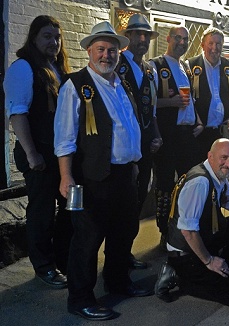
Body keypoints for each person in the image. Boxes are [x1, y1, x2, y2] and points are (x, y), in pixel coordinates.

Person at [54, 22, 152, 321]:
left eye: (112, 50)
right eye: (101, 49)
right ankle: (80, 298)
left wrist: (133, 164)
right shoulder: (76, 85)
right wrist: (66, 176)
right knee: (88, 239)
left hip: (124, 174)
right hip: (93, 176)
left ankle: (118, 282)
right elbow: (65, 137)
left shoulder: (119, 83)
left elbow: (127, 127)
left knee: (123, 234)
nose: (107, 55)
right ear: (89, 51)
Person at [4, 15, 72, 288]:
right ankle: (44, 266)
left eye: (57, 37)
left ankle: (61, 260)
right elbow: (17, 114)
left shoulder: (56, 68)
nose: (54, 42)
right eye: (47, 36)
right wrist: (32, 155)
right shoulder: (23, 67)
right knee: (41, 212)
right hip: (40, 154)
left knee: (67, 209)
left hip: (59, 153)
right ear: (33, 38)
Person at [156, 138, 229, 308]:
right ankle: (179, 278)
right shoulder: (200, 182)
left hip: (204, 240)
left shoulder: (218, 175)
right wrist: (209, 261)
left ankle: (227, 276)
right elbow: (188, 232)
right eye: (224, 157)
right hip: (186, 255)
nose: (228, 164)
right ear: (210, 156)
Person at [150, 26, 203, 247]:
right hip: (167, 134)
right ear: (168, 39)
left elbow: (191, 100)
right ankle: (164, 231)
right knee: (164, 184)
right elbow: (148, 103)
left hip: (187, 134)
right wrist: (170, 103)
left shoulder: (186, 67)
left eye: (185, 39)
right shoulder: (155, 65)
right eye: (178, 38)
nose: (182, 42)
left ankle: (183, 228)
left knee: (187, 183)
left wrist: (198, 120)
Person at [117, 13, 162, 269]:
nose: (142, 39)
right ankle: (118, 253)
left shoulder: (149, 68)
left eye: (146, 35)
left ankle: (126, 251)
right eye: (138, 34)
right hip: (125, 145)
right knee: (125, 200)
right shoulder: (117, 64)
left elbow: (152, 108)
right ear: (129, 36)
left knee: (138, 198)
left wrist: (155, 134)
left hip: (145, 143)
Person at [186, 27, 229, 158]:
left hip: (222, 134)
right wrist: (198, 122)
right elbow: (188, 100)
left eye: (218, 44)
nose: (214, 48)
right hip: (200, 132)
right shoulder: (191, 64)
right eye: (210, 43)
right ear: (202, 45)